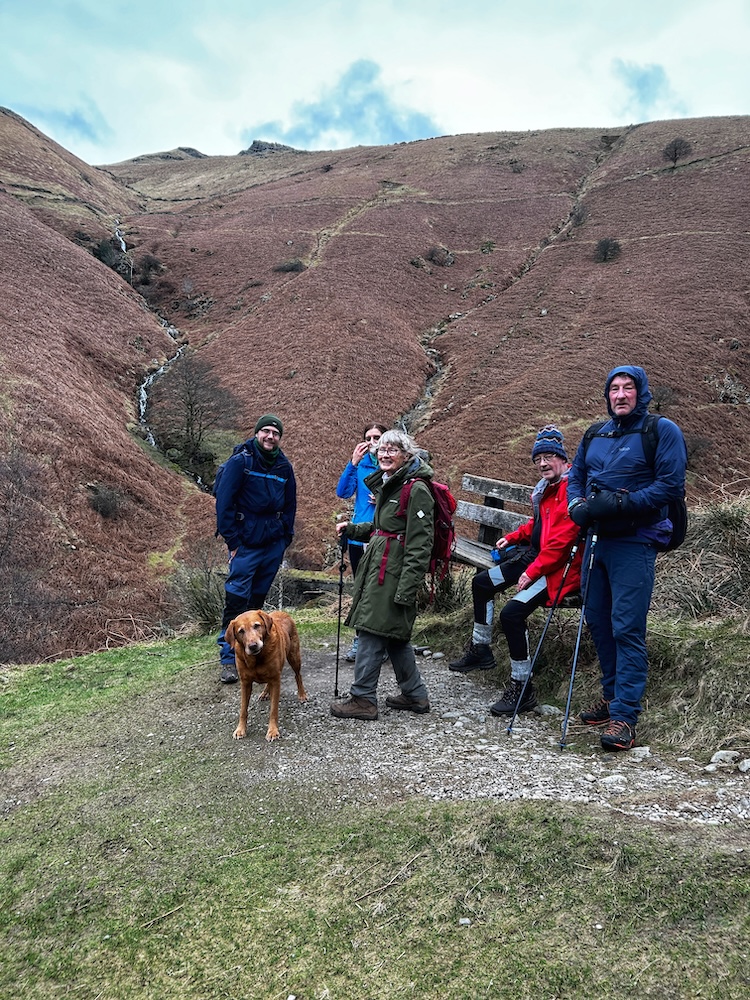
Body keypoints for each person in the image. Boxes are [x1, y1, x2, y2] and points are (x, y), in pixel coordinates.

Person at [567, 365, 687, 751]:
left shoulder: (660, 430)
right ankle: (611, 696)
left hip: (634, 542)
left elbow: (670, 485)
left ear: (641, 393)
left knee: (626, 627)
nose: (620, 395)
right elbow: (576, 476)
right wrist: (577, 506)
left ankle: (625, 717)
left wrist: (623, 503)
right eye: (614, 389)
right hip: (596, 541)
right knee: (599, 622)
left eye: (628, 388)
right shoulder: (594, 433)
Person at [449, 426, 582, 716]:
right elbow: (539, 526)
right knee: (482, 583)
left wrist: (532, 572)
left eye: (549, 457)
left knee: (512, 613)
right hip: (534, 559)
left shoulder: (571, 490)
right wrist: (513, 536)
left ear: (563, 459)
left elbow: (561, 543)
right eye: (538, 459)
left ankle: (522, 687)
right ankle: (480, 650)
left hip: (557, 572)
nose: (543, 464)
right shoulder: (546, 489)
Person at [330, 429, 434, 721]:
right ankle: (415, 694)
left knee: (371, 630)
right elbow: (380, 528)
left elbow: (420, 544)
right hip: (380, 564)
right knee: (394, 634)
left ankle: (363, 698)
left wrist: (408, 587)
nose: (385, 454)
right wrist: (352, 529)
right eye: (383, 449)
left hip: (393, 571)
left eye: (393, 449)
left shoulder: (416, 490)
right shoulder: (391, 484)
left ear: (406, 455)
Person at [215, 414, 297, 684]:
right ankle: (229, 658)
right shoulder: (242, 462)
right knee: (237, 596)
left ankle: (255, 652)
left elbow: (290, 505)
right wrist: (233, 541)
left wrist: (286, 537)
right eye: (266, 431)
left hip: (273, 542)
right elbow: (224, 502)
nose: (270, 436)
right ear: (257, 434)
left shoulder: (284, 467)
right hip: (246, 542)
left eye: (275, 432)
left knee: (258, 601)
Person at [335, 422, 388, 661]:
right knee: (360, 589)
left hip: (384, 536)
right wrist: (353, 462)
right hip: (359, 538)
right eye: (369, 437)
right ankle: (360, 640)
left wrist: (383, 500)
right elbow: (343, 492)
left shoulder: (393, 466)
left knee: (380, 589)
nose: (373, 441)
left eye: (378, 437)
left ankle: (382, 640)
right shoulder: (362, 466)